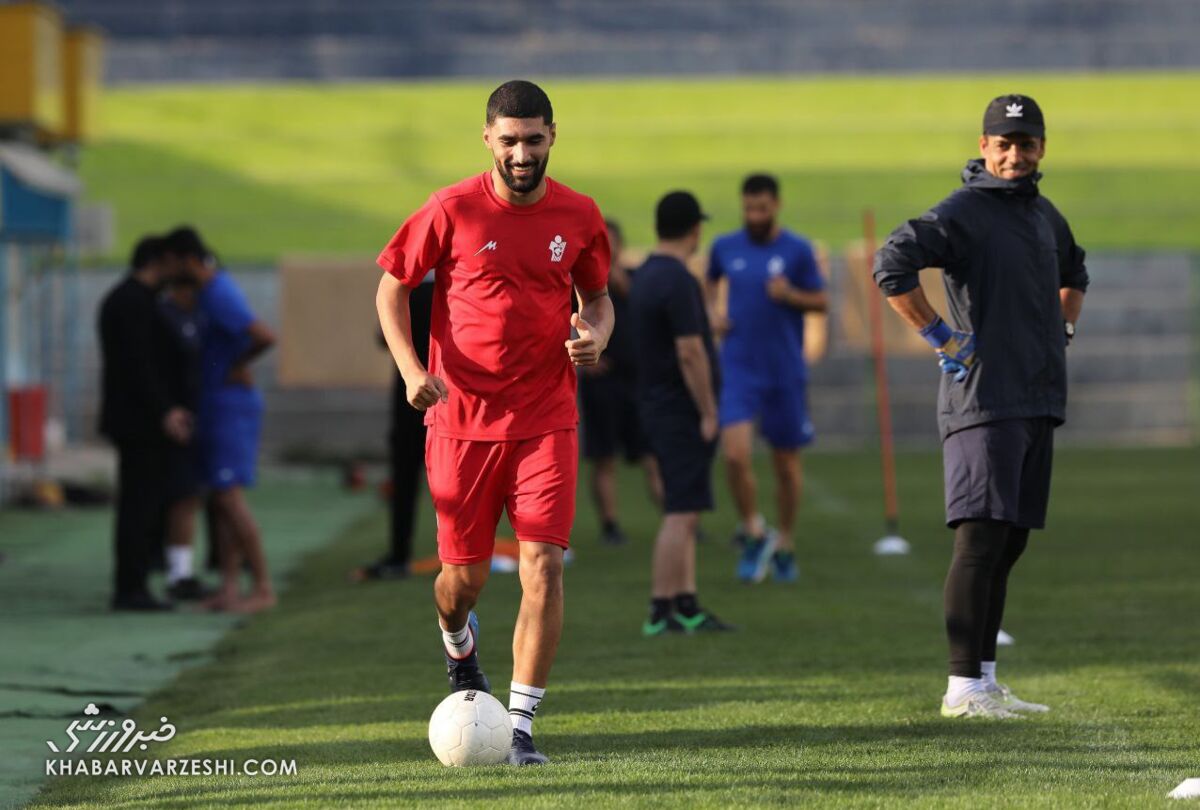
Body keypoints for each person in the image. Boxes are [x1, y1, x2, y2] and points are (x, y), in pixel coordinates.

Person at [375, 80, 614, 765]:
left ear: (552, 137)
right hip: (461, 422)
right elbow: (393, 286)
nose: (520, 153)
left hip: (546, 417)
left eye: (533, 140)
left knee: (543, 565)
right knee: (464, 582)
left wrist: (595, 336)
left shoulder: (579, 213)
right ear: (487, 139)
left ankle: (519, 729)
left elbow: (597, 298)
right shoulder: (450, 209)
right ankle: (457, 640)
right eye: (508, 140)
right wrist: (413, 371)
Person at [873, 94, 1088, 719]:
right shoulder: (964, 211)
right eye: (1004, 143)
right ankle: (961, 687)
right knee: (979, 537)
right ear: (984, 146)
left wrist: (1063, 329)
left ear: (1042, 147)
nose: (1015, 154)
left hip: (1037, 399)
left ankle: (986, 682)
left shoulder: (1045, 216)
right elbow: (893, 264)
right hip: (984, 398)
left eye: (1026, 143)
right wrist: (940, 335)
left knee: (1010, 541)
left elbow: (1075, 273)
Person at [705, 174, 828, 584]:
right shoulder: (725, 247)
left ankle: (786, 542)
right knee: (736, 455)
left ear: (776, 204)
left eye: (761, 208)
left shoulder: (797, 250)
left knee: (786, 465)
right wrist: (711, 314)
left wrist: (791, 295)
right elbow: (707, 286)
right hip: (738, 367)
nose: (754, 215)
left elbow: (822, 300)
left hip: (784, 371)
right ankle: (755, 530)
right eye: (748, 208)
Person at [630, 191, 733, 637]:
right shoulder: (678, 280)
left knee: (686, 507)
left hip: (655, 402)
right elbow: (690, 351)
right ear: (695, 230)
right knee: (681, 511)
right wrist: (708, 410)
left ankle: (686, 602)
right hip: (678, 408)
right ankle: (661, 607)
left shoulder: (647, 275)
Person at [166, 227, 277, 614]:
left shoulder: (218, 292)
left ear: (187, 260)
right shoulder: (211, 292)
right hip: (218, 403)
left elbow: (264, 335)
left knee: (230, 498)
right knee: (221, 499)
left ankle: (262, 586)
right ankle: (230, 588)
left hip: (232, 405)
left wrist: (235, 366)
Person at [97, 235, 191, 611]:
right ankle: (130, 587)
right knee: (139, 504)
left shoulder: (130, 299)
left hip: (137, 418)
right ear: (160, 261)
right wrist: (164, 410)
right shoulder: (133, 302)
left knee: (142, 502)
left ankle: (134, 581)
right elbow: (138, 366)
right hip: (139, 422)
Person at [578, 218, 663, 545]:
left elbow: (649, 312)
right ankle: (610, 525)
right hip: (603, 381)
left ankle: (676, 517)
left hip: (638, 380)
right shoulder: (581, 284)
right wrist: (585, 362)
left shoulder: (635, 279)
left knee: (651, 455)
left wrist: (619, 281)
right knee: (604, 457)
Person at [352, 273, 436, 581]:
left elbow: (382, 335)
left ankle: (400, 552)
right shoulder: (459, 284)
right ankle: (468, 554)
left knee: (405, 476)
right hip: (451, 394)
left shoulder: (405, 286)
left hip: (411, 395)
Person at [157, 274, 213, 600]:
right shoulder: (166, 317)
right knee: (182, 495)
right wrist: (167, 410)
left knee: (189, 495)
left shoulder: (193, 316)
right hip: (176, 419)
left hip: (190, 415)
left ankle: (181, 569)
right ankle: (178, 572)